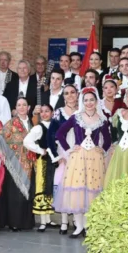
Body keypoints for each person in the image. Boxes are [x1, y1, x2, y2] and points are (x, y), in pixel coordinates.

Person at [55, 88, 112, 238]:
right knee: (78, 192)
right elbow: (59, 134)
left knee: (91, 191)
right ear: (82, 102)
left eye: (91, 100)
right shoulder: (76, 117)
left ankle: (87, 226)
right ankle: (79, 226)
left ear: (96, 102)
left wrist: (102, 149)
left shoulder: (101, 119)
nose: (89, 103)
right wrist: (68, 149)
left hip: (95, 159)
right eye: (86, 100)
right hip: (78, 158)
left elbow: (108, 140)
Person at [0, 98, 36, 232]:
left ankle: (27, 222)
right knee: (15, 194)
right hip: (15, 162)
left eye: (24, 104)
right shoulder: (11, 123)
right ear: (15, 108)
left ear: (29, 107)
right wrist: (3, 155)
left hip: (30, 162)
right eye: (19, 105)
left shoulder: (33, 123)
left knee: (28, 193)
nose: (22, 107)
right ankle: (14, 222)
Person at [49, 84, 80, 234]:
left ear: (77, 94)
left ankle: (76, 220)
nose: (70, 95)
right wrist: (57, 156)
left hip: (79, 152)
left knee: (77, 186)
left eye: (72, 92)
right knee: (63, 185)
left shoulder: (82, 112)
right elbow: (50, 135)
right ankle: (63, 222)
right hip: (63, 152)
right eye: (66, 93)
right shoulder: (58, 113)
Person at [23, 104, 58, 232]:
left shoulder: (56, 125)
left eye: (47, 111)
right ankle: (43, 222)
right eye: (42, 112)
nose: (44, 114)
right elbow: (26, 141)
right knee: (42, 186)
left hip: (54, 161)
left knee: (50, 186)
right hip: (43, 161)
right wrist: (39, 150)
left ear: (52, 112)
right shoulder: (38, 127)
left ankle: (48, 219)